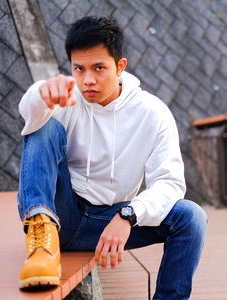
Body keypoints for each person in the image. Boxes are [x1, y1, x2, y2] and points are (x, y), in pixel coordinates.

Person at [17, 16, 207, 299]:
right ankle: (42, 243)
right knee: (44, 123)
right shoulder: (68, 96)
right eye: (78, 69)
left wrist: (128, 215)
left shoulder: (152, 113)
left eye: (99, 68)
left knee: (192, 217)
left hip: (110, 220)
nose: (87, 80)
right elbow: (29, 116)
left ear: (120, 67)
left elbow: (170, 182)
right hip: (62, 215)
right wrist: (41, 95)